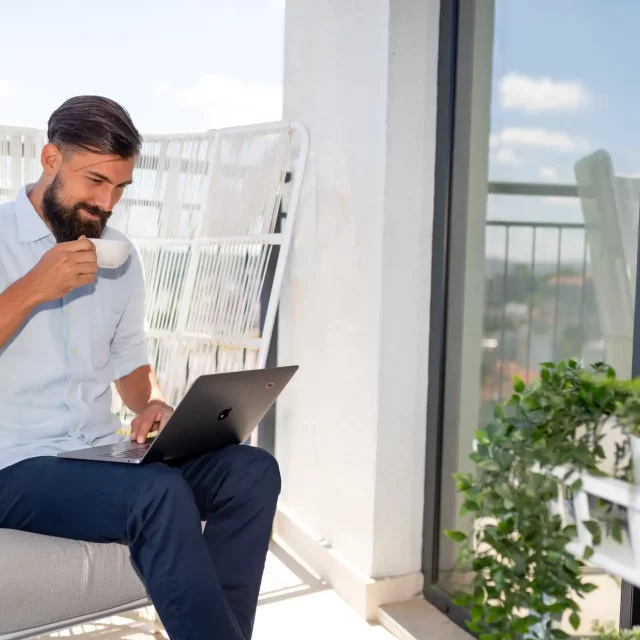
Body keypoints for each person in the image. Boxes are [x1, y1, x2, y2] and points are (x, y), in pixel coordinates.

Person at [0, 96, 280, 640]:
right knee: (159, 495)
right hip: (13, 464)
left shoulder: (119, 256)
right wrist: (34, 287)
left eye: (120, 189)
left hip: (96, 452)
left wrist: (151, 402)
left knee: (251, 472)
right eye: (95, 181)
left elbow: (131, 368)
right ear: (50, 159)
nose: (107, 203)